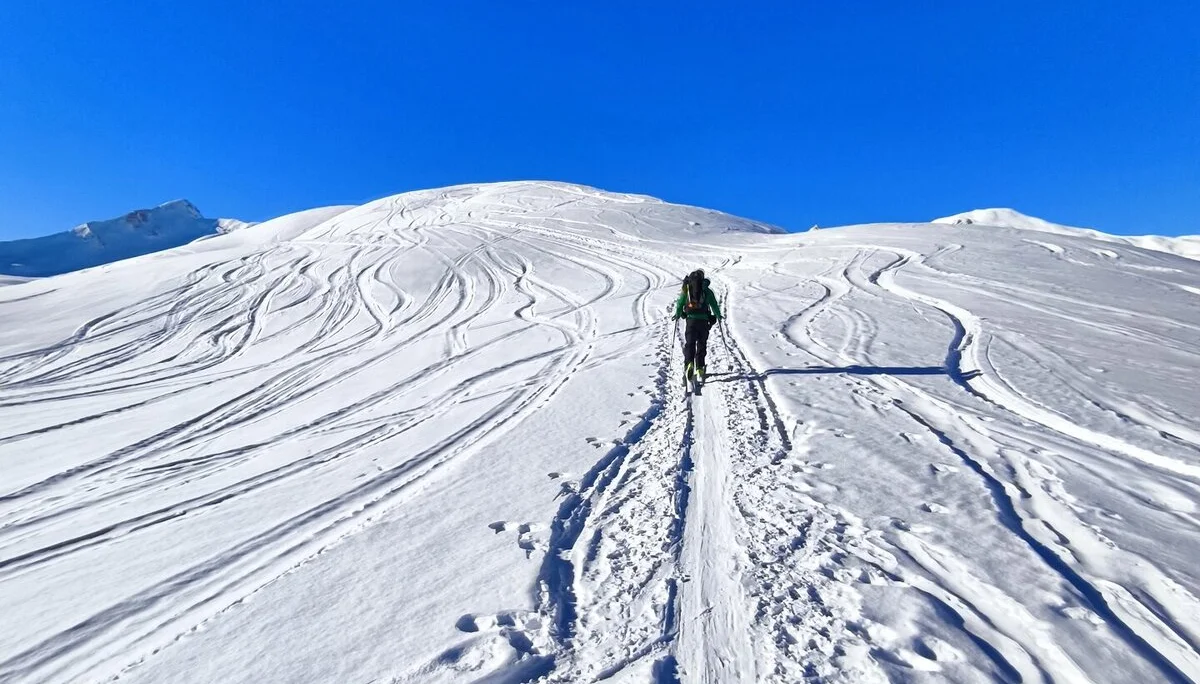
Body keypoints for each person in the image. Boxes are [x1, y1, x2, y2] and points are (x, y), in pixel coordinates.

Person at [673, 269, 723, 381]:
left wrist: (678, 314)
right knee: (702, 343)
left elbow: (680, 302)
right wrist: (718, 316)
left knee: (690, 343)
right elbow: (713, 304)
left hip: (691, 321)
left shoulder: (687, 289)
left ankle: (689, 364)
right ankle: (700, 368)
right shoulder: (706, 290)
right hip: (704, 321)